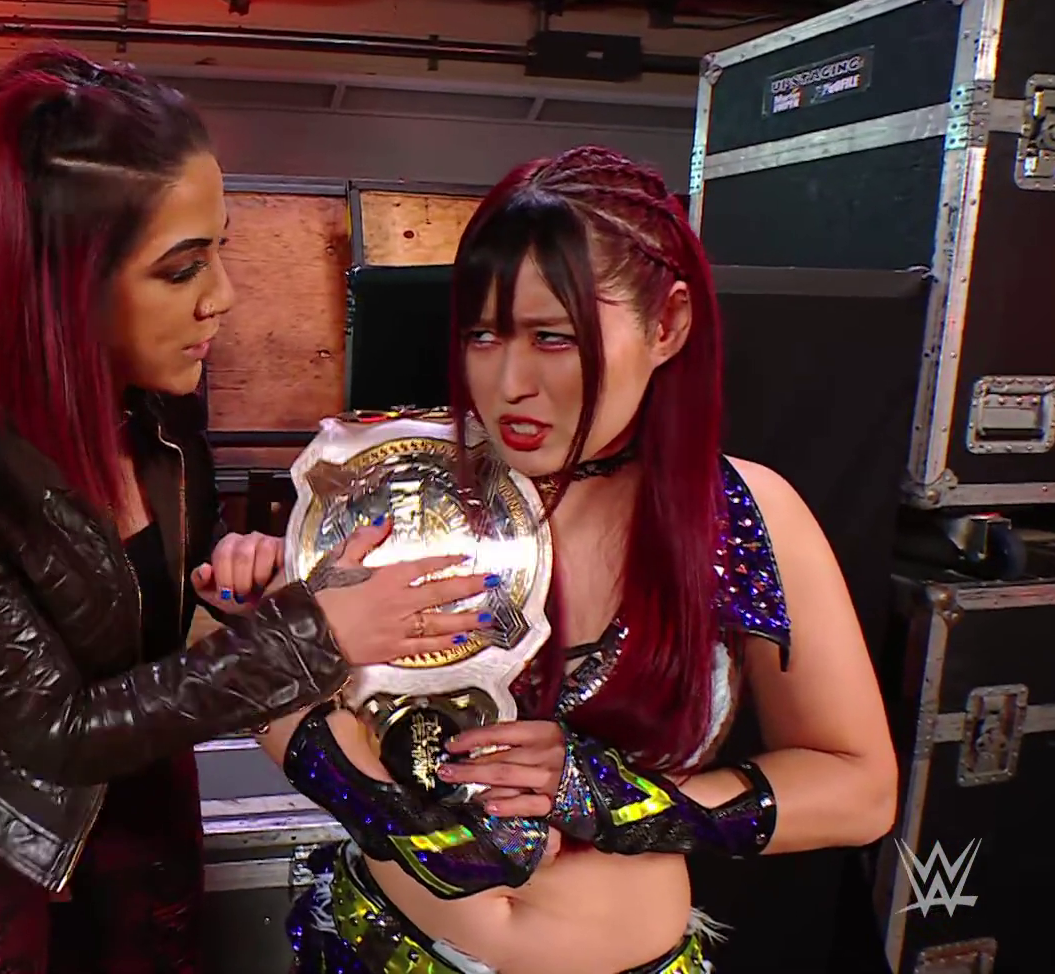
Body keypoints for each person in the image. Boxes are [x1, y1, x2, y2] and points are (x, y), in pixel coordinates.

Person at [0, 46, 497, 974]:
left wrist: (238, 578)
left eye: (219, 250)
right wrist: (311, 636)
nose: (224, 298)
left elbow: (149, 596)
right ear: (58, 281)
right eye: (183, 268)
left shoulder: (158, 401)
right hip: (14, 865)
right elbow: (55, 732)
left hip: (148, 815)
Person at [251, 146, 899, 974]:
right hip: (379, 949)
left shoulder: (740, 513)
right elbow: (270, 686)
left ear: (667, 326)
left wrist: (623, 800)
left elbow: (860, 788)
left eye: (553, 338)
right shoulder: (401, 484)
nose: (509, 382)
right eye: (483, 335)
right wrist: (387, 807)